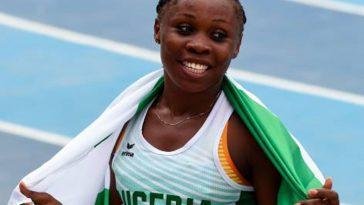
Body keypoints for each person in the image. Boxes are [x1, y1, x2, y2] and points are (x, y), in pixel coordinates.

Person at [11, 0, 339, 204]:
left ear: (237, 46)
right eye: (184, 29)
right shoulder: (126, 121)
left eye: (218, 36)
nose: (199, 44)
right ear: (158, 30)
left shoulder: (245, 136)